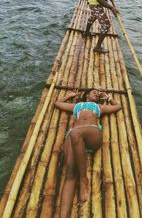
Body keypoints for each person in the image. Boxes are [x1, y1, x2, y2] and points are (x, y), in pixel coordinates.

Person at [54, 89, 121, 218]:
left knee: (75, 133)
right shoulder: (77, 106)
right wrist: (69, 96)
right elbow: (57, 103)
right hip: (74, 138)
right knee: (70, 173)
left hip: (92, 134)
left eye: (98, 94)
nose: (96, 94)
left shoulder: (98, 106)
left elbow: (118, 106)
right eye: (94, 92)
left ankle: (83, 179)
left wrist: (108, 98)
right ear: (87, 95)